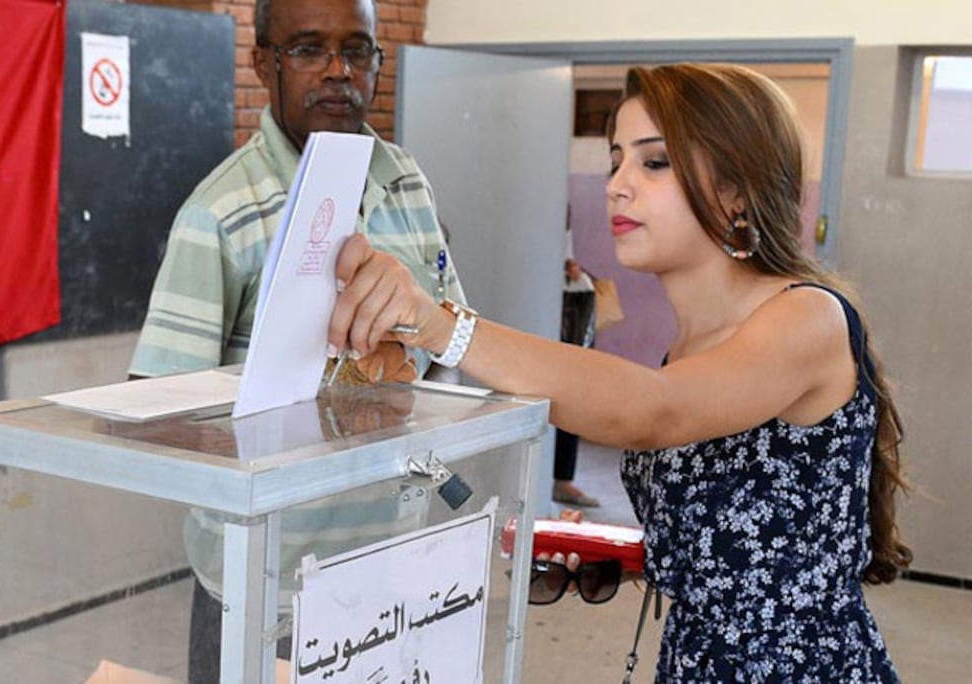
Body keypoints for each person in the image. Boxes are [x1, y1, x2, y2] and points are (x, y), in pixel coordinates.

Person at [328, 63, 911, 682]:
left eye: (653, 163)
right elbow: (741, 547)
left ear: (737, 190)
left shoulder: (807, 318)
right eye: (615, 161)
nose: (616, 185)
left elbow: (654, 412)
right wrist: (620, 556)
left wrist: (441, 325)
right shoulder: (688, 349)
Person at [127, 0, 464, 680]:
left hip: (394, 565)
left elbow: (453, 338)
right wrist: (294, 420)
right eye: (309, 50)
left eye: (357, 50)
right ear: (263, 64)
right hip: (268, 585)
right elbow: (155, 416)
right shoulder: (219, 212)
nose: (339, 72)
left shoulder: (406, 180)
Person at [553, 258, 599, 507]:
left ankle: (562, 477)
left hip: (569, 294)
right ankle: (560, 478)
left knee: (572, 387)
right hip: (560, 297)